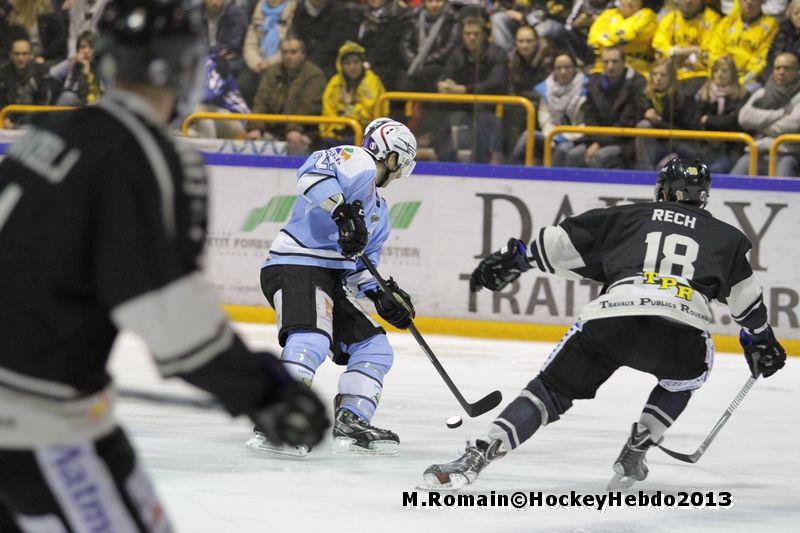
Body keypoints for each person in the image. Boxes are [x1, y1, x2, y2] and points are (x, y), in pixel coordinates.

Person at [0, 1, 329, 530]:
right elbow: (172, 320)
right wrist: (265, 391)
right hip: (36, 425)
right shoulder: (146, 156)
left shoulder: (48, 132)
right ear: (181, 67)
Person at [422, 158, 787, 491]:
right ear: (704, 195)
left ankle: (480, 453)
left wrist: (516, 259)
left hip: (612, 318)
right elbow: (748, 302)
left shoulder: (628, 216)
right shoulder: (726, 238)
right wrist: (761, 340)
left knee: (549, 391)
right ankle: (641, 442)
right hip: (680, 329)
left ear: (662, 189)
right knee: (686, 377)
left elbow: (558, 244)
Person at [247, 117, 418, 457]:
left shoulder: (380, 212)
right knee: (311, 338)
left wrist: (382, 294)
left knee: (374, 349)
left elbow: (360, 269)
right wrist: (342, 212)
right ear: (392, 156)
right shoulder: (357, 160)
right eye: (402, 164)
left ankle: (352, 421)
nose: (400, 174)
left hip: (331, 278)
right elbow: (310, 176)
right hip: (295, 263)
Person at [558, 46, 648, 169]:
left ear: (623, 62)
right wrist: (596, 141)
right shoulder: (594, 83)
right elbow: (589, 117)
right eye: (606, 62)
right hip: (596, 138)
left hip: (624, 141)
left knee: (599, 156)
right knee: (572, 154)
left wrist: (599, 143)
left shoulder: (636, 83)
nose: (610, 66)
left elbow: (628, 121)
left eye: (615, 62)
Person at [245, 36, 326, 155]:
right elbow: (260, 102)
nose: (288, 56)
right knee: (253, 141)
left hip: (306, 131)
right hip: (273, 129)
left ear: (303, 54)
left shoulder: (314, 76)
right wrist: (256, 127)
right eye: (285, 52)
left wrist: (294, 129)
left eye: (293, 52)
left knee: (295, 141)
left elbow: (309, 107)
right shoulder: (271, 73)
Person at [732, 52, 800, 176]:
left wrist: (760, 125)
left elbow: (793, 125)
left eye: (787, 68)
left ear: (797, 72)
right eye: (777, 68)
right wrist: (780, 114)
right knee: (733, 180)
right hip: (757, 151)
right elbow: (744, 117)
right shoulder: (762, 92)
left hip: (787, 153)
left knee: (782, 183)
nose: (781, 72)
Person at [320, 41, 387, 146]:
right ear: (341, 66)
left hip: (367, 133)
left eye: (356, 62)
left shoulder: (371, 81)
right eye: (347, 63)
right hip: (338, 134)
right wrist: (336, 129)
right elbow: (328, 113)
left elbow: (369, 113)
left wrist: (349, 108)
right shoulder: (335, 83)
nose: (352, 67)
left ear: (362, 63)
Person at [706, 0, 778, 90]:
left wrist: (740, 82)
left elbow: (760, 61)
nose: (749, 2)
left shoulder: (770, 26)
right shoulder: (727, 21)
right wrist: (718, 76)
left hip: (747, 79)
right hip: (720, 75)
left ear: (762, 1)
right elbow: (714, 52)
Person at [587, 0, 657, 75]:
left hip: (635, 69)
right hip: (602, 67)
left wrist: (605, 39)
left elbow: (626, 36)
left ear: (641, 2)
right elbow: (593, 39)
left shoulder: (647, 15)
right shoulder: (608, 14)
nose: (630, 2)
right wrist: (612, 40)